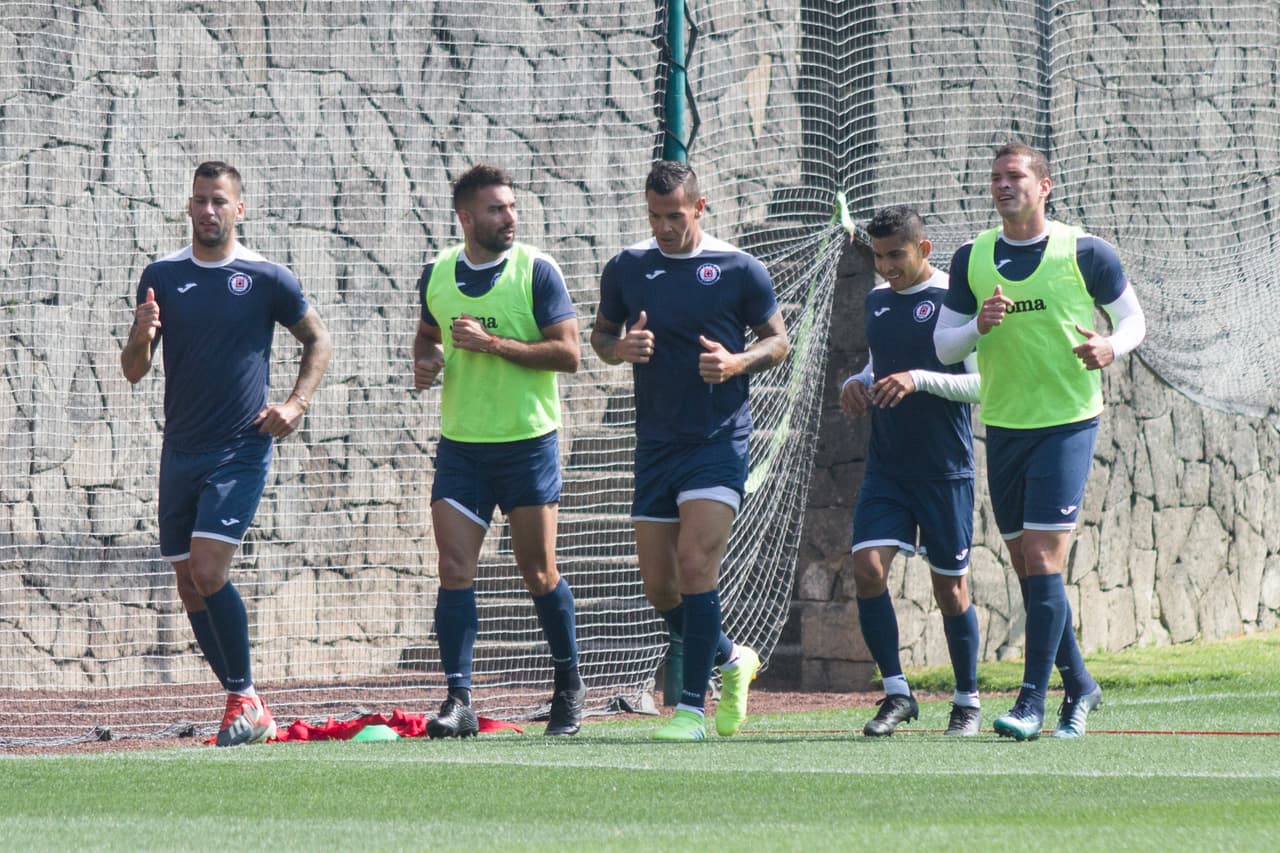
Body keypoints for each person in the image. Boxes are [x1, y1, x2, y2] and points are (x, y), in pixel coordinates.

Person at [934, 141, 1146, 740]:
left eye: (1016, 176)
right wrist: (979, 324)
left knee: (1044, 558)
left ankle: (1032, 700)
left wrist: (1111, 346)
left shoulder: (1085, 252)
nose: (1004, 185)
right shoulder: (972, 256)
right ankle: (1081, 686)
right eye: (996, 176)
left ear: (1044, 185)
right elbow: (944, 347)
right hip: (1003, 424)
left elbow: (1134, 320)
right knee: (1029, 568)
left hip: (1067, 422)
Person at [120, 160, 333, 747]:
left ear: (239, 209)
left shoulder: (266, 278)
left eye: (219, 201)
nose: (207, 211)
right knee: (189, 585)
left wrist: (296, 403)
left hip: (241, 448)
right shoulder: (161, 275)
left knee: (210, 570)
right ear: (188, 207)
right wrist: (140, 335)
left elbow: (318, 338)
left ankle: (242, 697)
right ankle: (249, 705)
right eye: (199, 201)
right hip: (179, 451)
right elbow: (134, 371)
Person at [591, 160, 789, 741]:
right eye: (654, 217)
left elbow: (778, 340)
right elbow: (601, 337)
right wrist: (620, 347)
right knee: (661, 587)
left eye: (674, 216)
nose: (664, 228)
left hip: (717, 441)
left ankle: (688, 711)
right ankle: (733, 659)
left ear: (699, 207)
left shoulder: (738, 269)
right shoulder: (627, 268)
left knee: (698, 567)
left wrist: (736, 362)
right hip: (655, 445)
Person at [412, 164, 586, 738]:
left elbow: (569, 354)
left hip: (527, 443)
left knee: (538, 572)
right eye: (496, 209)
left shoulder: (536, 270)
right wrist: (426, 360)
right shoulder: (437, 272)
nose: (509, 217)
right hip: (462, 446)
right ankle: (459, 700)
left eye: (511, 206)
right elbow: (427, 334)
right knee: (454, 568)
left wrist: (493, 344)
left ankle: (567, 687)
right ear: (465, 218)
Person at [841, 206, 984, 737]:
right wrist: (854, 383)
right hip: (887, 468)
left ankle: (967, 701)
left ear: (923, 249)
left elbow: (981, 386)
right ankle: (897, 694)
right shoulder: (877, 301)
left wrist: (920, 380)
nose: (885, 267)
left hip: (945, 471)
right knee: (868, 569)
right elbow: (879, 366)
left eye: (895, 255)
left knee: (951, 591)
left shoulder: (956, 301)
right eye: (877, 256)